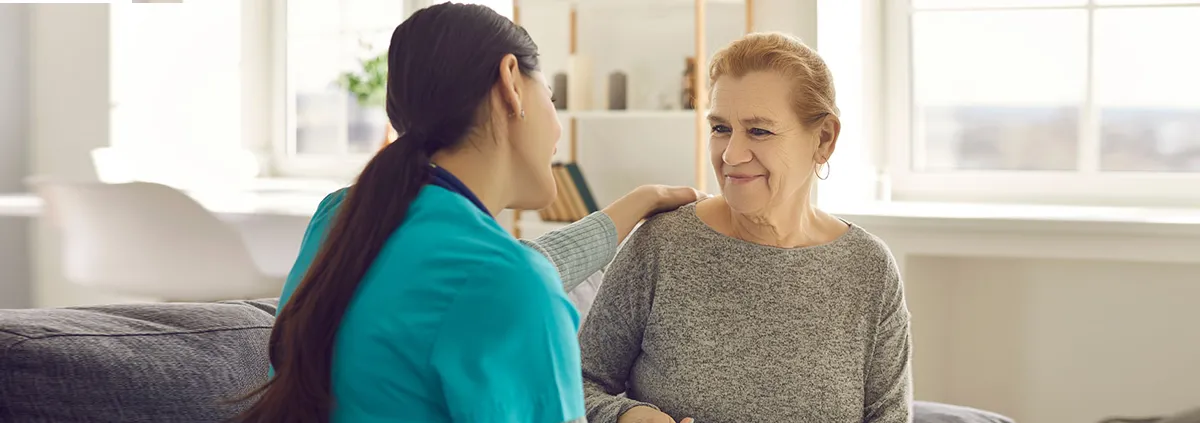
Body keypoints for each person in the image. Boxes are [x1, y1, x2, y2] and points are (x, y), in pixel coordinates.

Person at [234, 4, 703, 422]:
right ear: (511, 83)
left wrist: (639, 202)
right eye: (553, 100)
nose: (557, 127)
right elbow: (499, 284)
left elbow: (480, 282)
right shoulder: (502, 282)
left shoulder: (341, 218)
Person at [579, 32, 913, 423]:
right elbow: (575, 384)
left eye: (759, 131)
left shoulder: (868, 268)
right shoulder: (663, 245)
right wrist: (625, 416)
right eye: (721, 128)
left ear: (823, 139)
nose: (732, 154)